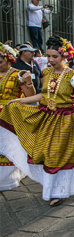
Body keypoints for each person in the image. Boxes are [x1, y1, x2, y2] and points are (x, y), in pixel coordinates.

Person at [0, 36, 74, 206]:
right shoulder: (46, 72)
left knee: (58, 155)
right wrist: (19, 101)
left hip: (67, 120)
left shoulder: (73, 75)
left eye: (54, 56)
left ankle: (59, 191)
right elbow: (43, 95)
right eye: (48, 56)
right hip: (47, 117)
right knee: (46, 154)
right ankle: (52, 189)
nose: (50, 60)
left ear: (64, 56)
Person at [0, 42, 36, 191]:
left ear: (9, 59)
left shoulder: (18, 74)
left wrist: (28, 83)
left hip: (10, 115)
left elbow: (31, 96)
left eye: (0, 61)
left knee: (8, 146)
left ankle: (8, 178)